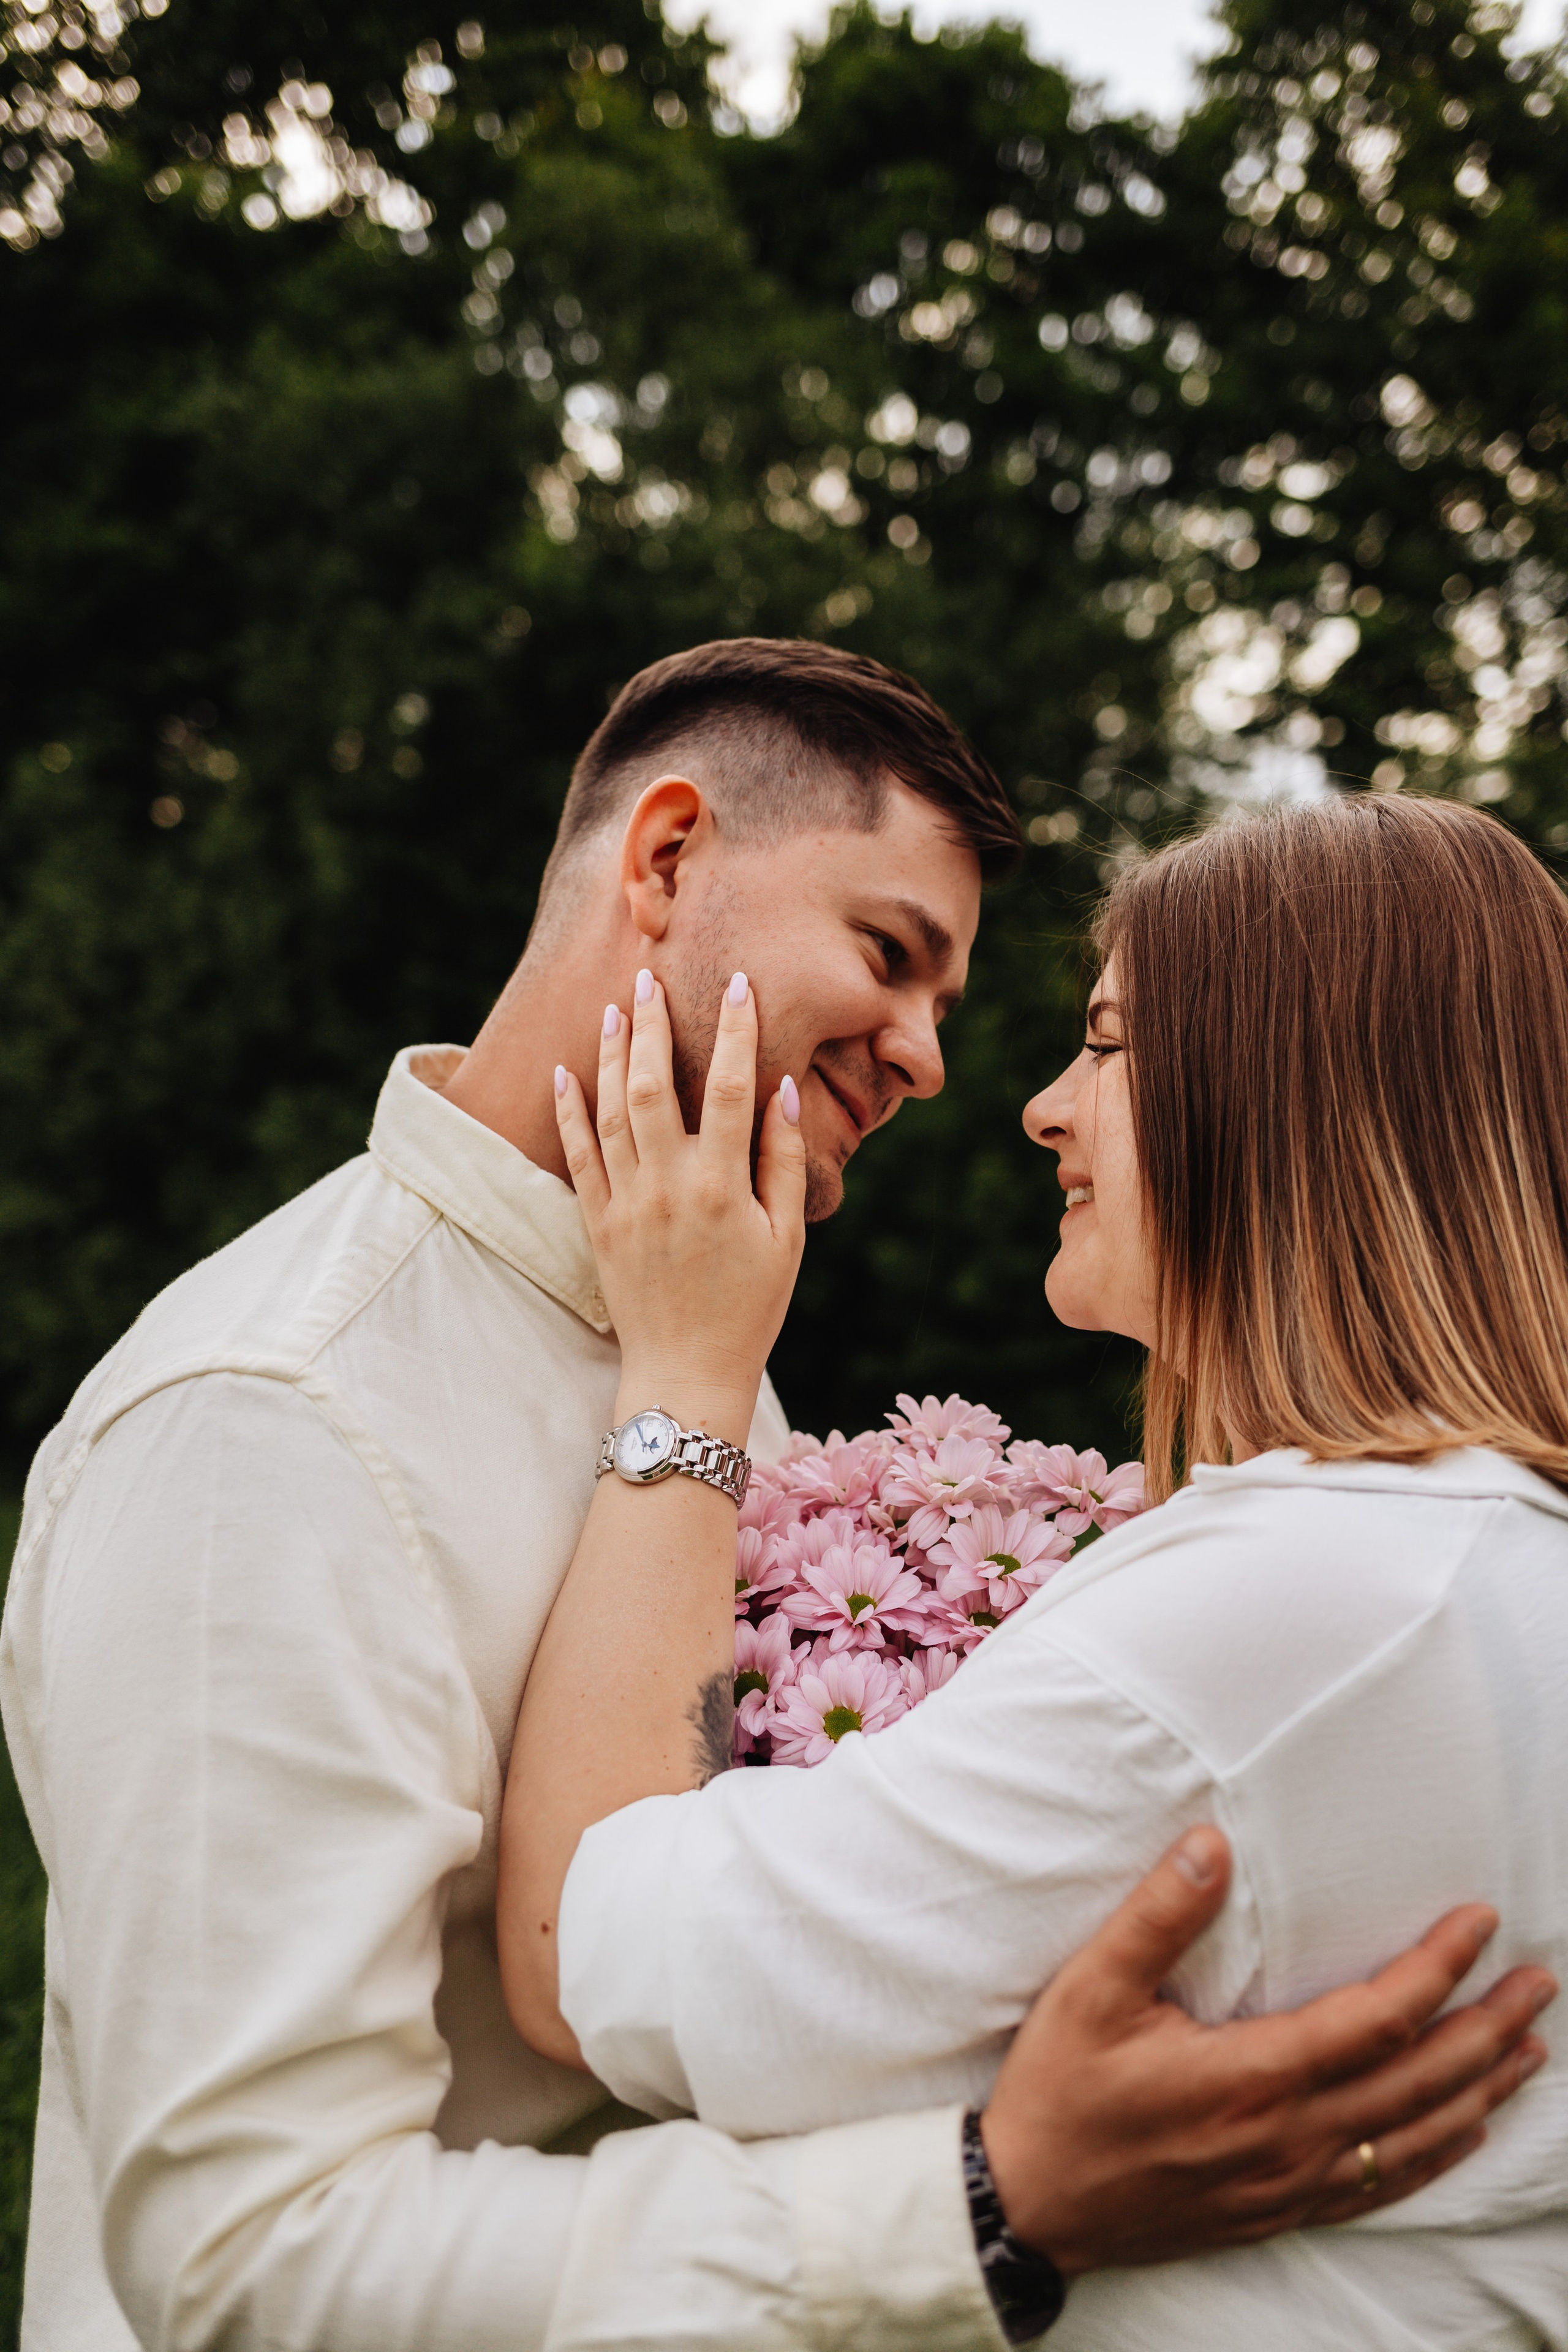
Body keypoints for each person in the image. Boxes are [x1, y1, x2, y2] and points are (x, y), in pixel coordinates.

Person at [0, 644, 1545, 2352]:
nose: (937, 1064)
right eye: (892, 957)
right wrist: (980, 2204)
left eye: (956, 1008)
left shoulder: (714, 1364)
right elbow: (248, 2262)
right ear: (665, 863)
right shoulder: (272, 1420)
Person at [502, 788, 1567, 2347]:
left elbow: (584, 1961)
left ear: (1288, 1093)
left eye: (1114, 1044)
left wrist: (683, 1379)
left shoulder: (1312, 1594)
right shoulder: (1486, 1555)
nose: (1043, 1107)